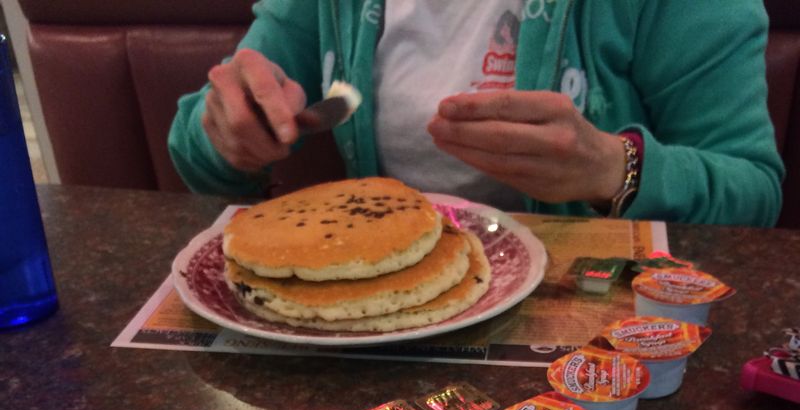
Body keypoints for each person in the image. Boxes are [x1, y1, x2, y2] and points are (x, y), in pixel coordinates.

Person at [168, 0, 784, 226]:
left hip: (595, 343)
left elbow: (752, 190)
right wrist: (229, 131)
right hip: (371, 320)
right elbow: (201, 149)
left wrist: (611, 169)